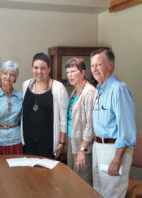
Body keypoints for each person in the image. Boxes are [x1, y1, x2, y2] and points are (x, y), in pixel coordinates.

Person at [90, 48, 136, 198]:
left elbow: (127, 129)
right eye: (92, 66)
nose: (95, 69)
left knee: (112, 195)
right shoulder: (98, 89)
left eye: (99, 65)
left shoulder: (119, 89)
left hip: (113, 149)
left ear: (110, 65)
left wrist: (117, 159)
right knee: (98, 192)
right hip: (98, 147)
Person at [22, 52, 69, 159]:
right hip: (28, 141)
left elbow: (63, 119)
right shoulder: (26, 85)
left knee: (47, 174)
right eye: (36, 68)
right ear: (32, 68)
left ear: (49, 69)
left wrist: (62, 142)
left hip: (48, 142)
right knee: (29, 173)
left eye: (43, 68)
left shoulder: (58, 87)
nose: (39, 71)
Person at [65, 57, 95, 185]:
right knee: (72, 181)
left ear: (83, 73)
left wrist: (82, 150)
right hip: (73, 142)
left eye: (73, 71)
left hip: (84, 146)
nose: (69, 75)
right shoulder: (74, 92)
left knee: (82, 184)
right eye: (68, 72)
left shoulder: (89, 92)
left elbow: (91, 125)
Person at [0, 61, 23, 155]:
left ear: (16, 78)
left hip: (16, 140)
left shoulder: (21, 96)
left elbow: (23, 120)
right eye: (5, 73)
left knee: (16, 169)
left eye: (12, 74)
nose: (8, 77)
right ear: (0, 75)